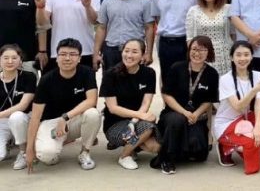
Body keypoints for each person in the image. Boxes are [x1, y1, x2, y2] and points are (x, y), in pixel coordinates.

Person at [25, 38, 102, 172]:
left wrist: (65, 117)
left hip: (73, 119)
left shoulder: (86, 72)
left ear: (79, 58)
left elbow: (91, 101)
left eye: (72, 54)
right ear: (56, 58)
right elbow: (35, 117)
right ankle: (59, 142)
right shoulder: (46, 80)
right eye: (63, 54)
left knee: (93, 114)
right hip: (51, 122)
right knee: (47, 157)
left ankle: (85, 152)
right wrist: (29, 149)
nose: (67, 58)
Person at [214, 41, 260, 173]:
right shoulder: (225, 79)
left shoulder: (257, 75)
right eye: (238, 55)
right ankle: (225, 147)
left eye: (246, 54)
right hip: (227, 124)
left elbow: (259, 103)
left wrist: (257, 128)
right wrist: (254, 90)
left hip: (245, 120)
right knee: (252, 155)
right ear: (232, 57)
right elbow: (238, 106)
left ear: (252, 57)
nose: (242, 58)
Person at [155, 35, 219, 174]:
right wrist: (184, 112)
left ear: (209, 52)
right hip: (174, 113)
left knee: (200, 155)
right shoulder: (177, 67)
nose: (197, 53)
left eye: (202, 50)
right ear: (189, 50)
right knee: (177, 120)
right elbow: (167, 95)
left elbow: (209, 100)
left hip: (195, 117)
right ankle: (167, 159)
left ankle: (180, 150)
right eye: (194, 49)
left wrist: (196, 114)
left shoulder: (212, 74)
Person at [99, 38, 160, 170]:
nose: (129, 55)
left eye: (134, 52)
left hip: (136, 121)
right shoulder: (110, 75)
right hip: (114, 124)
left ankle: (132, 147)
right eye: (126, 51)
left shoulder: (149, 73)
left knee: (154, 147)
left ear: (143, 55)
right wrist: (140, 115)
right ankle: (125, 155)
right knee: (147, 129)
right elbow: (113, 108)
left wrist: (133, 121)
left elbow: (146, 103)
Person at [35, 0, 101, 70]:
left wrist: (88, 6)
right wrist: (40, 8)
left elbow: (95, 21)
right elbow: (43, 24)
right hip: (59, 50)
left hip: (85, 50)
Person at [94, 0, 154, 72]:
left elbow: (149, 28)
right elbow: (101, 28)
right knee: (110, 81)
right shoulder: (107, 2)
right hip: (111, 50)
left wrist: (149, 53)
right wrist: (96, 53)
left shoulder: (145, 2)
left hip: (134, 51)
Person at [151, 0, 200, 85]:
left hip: (187, 41)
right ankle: (168, 99)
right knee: (167, 78)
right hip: (165, 42)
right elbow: (157, 17)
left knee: (187, 77)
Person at [0, 0, 46, 72]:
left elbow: (42, 25)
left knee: (27, 83)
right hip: (1, 56)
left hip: (26, 55)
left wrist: (42, 51)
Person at [185, 0, 234, 75]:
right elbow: (190, 38)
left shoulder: (228, 9)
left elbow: (233, 34)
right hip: (202, 54)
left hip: (224, 55)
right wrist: (195, 55)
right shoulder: (193, 11)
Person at [0, 44, 37, 170]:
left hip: (23, 118)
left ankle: (23, 152)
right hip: (2, 121)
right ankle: (6, 147)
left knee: (16, 116)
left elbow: (23, 105)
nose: (10, 61)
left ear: (20, 60)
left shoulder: (29, 76)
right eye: (6, 58)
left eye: (14, 58)